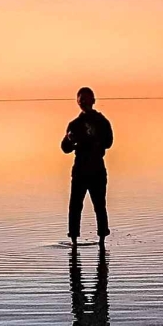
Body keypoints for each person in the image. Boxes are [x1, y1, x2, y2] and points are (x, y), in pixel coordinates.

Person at [60, 86, 113, 243]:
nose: (83, 101)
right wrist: (70, 139)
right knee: (75, 207)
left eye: (86, 98)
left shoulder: (102, 122)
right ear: (77, 101)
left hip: (97, 169)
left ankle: (102, 240)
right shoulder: (74, 124)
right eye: (80, 98)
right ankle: (74, 240)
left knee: (99, 206)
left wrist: (94, 142)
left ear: (93, 101)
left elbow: (109, 142)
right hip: (79, 171)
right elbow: (64, 148)